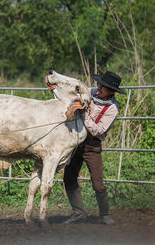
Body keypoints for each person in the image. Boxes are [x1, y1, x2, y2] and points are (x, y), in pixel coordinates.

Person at [63, 71, 124, 226]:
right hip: (77, 142)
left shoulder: (112, 109)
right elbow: (76, 92)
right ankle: (78, 213)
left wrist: (83, 114)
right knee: (69, 177)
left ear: (111, 91)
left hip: (92, 145)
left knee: (98, 184)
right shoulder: (91, 93)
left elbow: (98, 130)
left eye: (104, 86)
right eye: (99, 84)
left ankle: (105, 214)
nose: (99, 87)